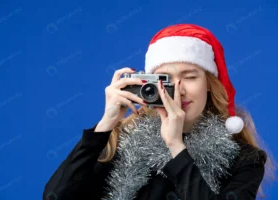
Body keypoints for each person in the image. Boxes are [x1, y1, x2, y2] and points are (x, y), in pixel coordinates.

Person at [42, 24, 272, 200]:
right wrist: (104, 126)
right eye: (165, 80)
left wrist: (175, 146)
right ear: (148, 85)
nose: (178, 90)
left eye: (190, 76)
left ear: (210, 84)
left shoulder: (246, 159)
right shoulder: (126, 142)